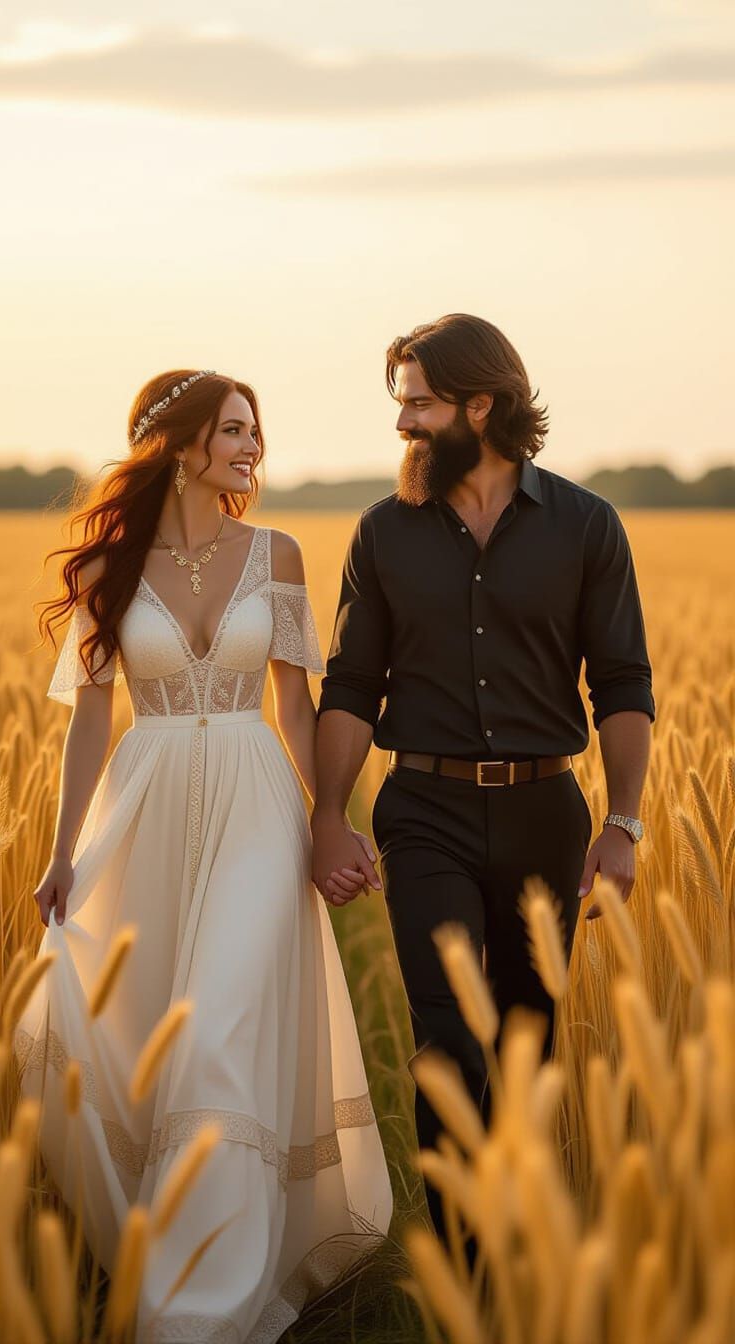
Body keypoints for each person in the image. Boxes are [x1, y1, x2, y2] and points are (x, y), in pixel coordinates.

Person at [14, 369, 392, 1344]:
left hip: (256, 811)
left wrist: (332, 821)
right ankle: (168, 1251)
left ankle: (198, 1314)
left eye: (253, 431)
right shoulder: (109, 569)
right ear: (179, 444)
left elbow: (294, 707)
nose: (250, 447)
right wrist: (64, 853)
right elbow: (90, 727)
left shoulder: (280, 554)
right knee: (142, 1040)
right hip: (141, 813)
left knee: (219, 1033)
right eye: (232, 430)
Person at [311, 313, 654, 1240]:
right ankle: (469, 1265)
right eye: (401, 404)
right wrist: (328, 816)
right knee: (451, 1041)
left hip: (549, 811)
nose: (402, 425)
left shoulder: (588, 526)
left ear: (481, 404)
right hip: (423, 811)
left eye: (418, 404)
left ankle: (524, 1241)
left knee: (528, 1043)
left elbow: (622, 682)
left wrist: (621, 825)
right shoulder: (385, 533)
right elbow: (350, 684)